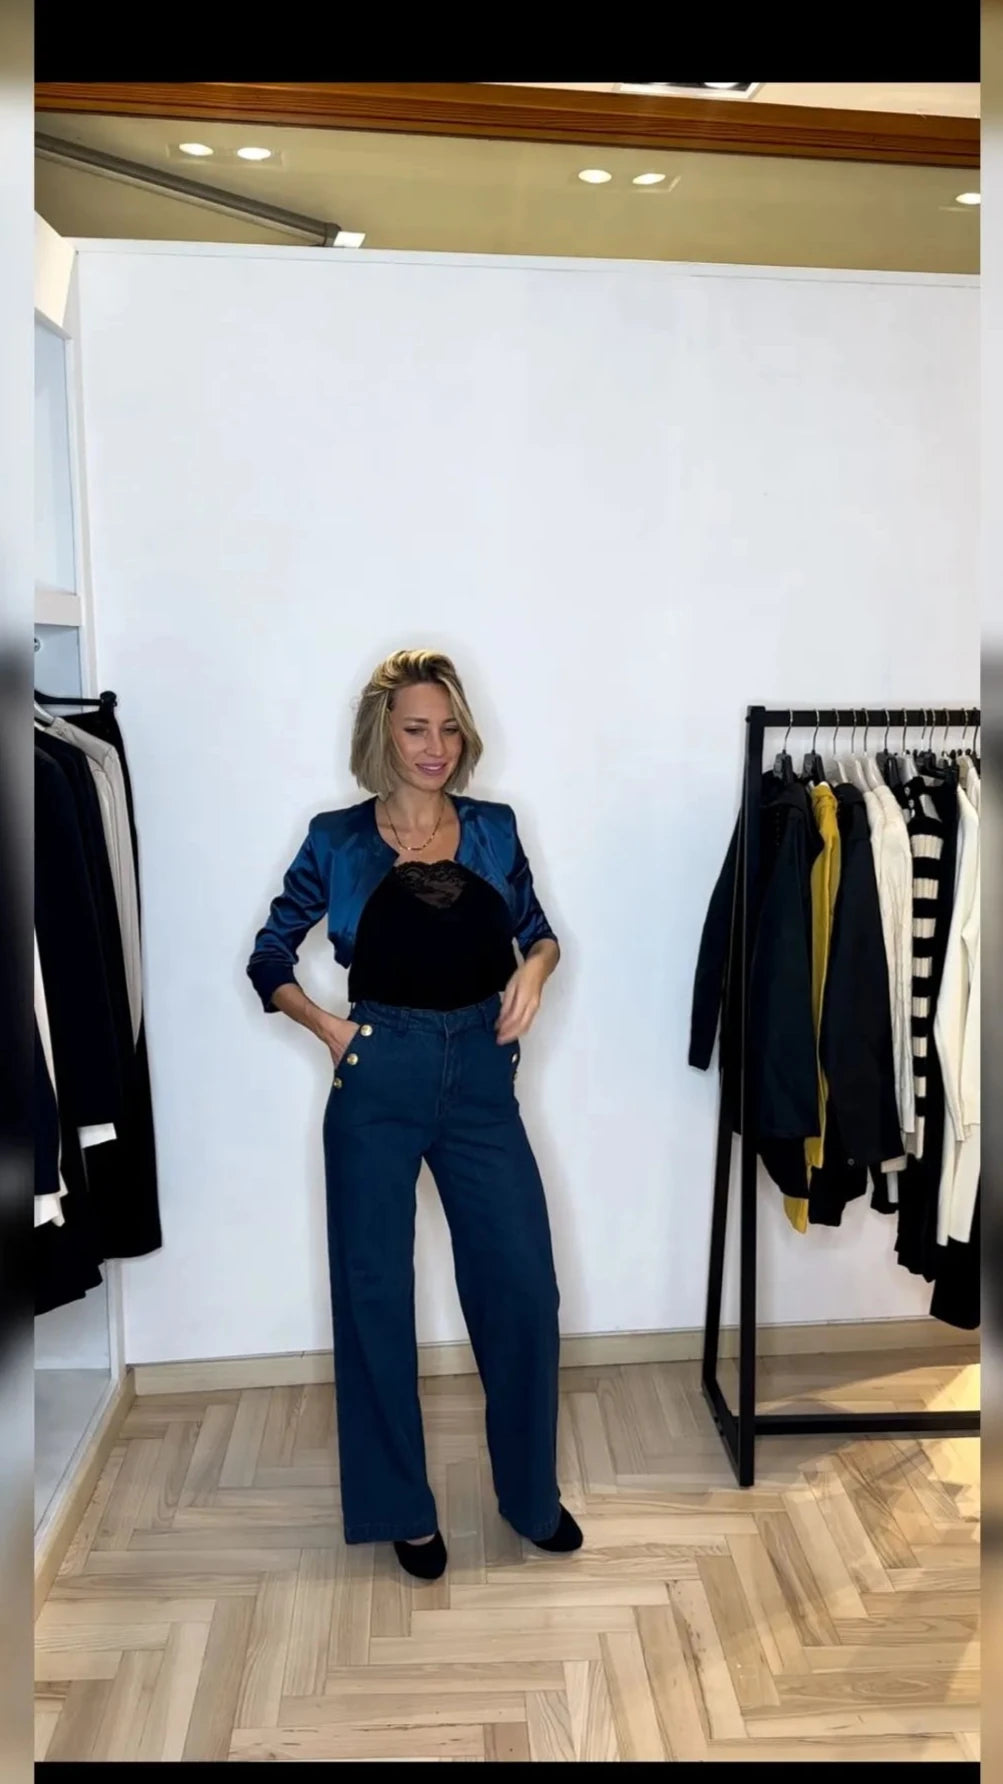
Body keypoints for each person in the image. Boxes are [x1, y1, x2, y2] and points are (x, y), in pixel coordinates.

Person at [247, 649, 581, 1579]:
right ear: (382, 737)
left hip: (479, 1076)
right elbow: (268, 955)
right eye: (415, 729)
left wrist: (534, 971)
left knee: (522, 1289)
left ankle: (529, 1497)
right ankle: (401, 1508)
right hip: (378, 1074)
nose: (435, 747)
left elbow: (539, 931)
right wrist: (327, 1027)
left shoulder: (493, 829)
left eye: (448, 729)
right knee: (374, 1296)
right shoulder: (337, 840)